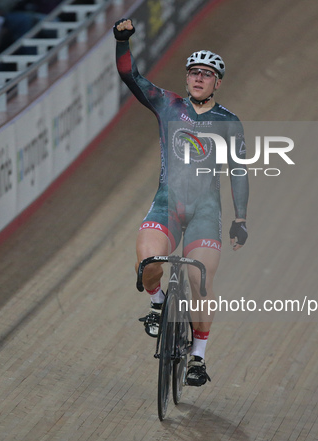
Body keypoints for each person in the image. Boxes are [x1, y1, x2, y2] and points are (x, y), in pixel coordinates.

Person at [114, 18, 249, 387]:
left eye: (207, 74)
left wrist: (240, 219)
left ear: (217, 83)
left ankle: (198, 359)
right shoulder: (168, 105)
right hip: (167, 205)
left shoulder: (228, 121)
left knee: (198, 280)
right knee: (147, 264)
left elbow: (238, 172)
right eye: (193, 73)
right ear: (187, 78)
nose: (199, 78)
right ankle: (158, 304)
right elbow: (132, 77)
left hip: (206, 213)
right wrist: (122, 41)